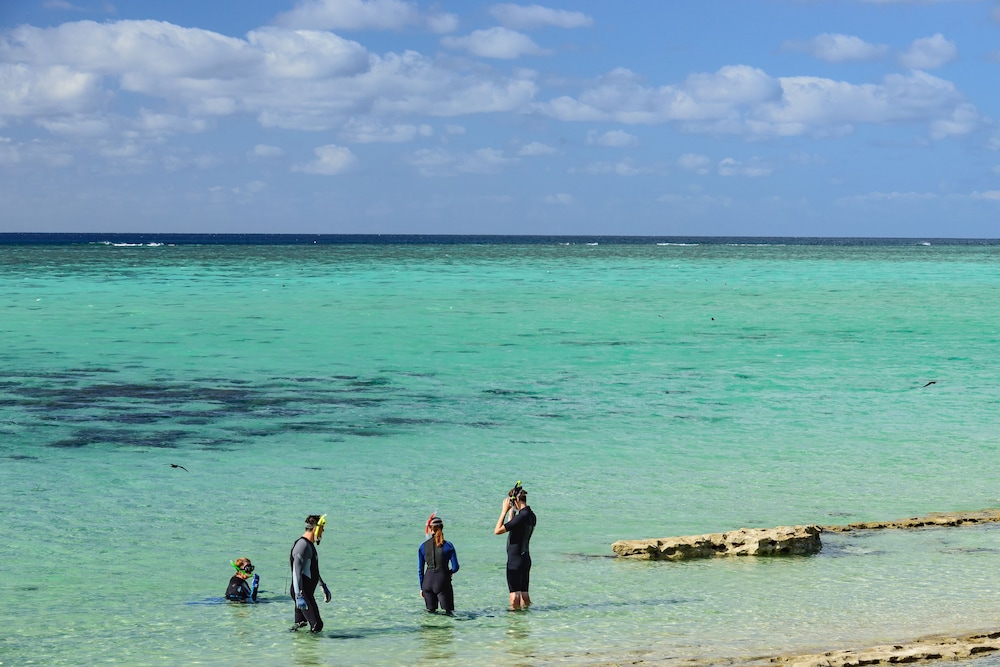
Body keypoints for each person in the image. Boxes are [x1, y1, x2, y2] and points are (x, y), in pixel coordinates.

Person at [493, 482, 536, 610]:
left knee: (514, 597)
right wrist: (512, 513)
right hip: (525, 558)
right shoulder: (531, 515)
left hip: (514, 561)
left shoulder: (521, 517)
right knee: (524, 595)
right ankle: (525, 620)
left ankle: (515, 626)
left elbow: (497, 530)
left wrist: (503, 511)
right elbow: (516, 527)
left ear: (516, 499)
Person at [289, 514, 331, 633]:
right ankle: (312, 651)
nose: (322, 532)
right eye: (322, 529)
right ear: (316, 528)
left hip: (304, 592)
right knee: (317, 625)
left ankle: (299, 649)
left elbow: (311, 570)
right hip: (302, 593)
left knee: (300, 625)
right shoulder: (302, 546)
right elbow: (296, 572)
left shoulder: (309, 545)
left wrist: (322, 585)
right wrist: (298, 595)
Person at [418, 515, 460, 614]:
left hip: (427, 583)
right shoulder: (448, 546)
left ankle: (432, 629)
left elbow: (420, 570)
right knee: (449, 612)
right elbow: (455, 567)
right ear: (442, 527)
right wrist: (448, 573)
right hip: (442, 582)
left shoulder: (422, 546)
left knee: (431, 614)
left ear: (430, 529)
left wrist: (421, 588)